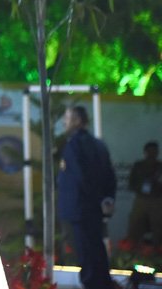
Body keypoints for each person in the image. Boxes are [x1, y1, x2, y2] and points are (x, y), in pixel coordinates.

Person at [57, 105, 117, 289]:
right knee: (96, 249)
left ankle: (91, 284)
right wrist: (106, 198)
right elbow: (109, 175)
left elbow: (81, 176)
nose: (63, 122)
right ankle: (103, 283)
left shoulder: (74, 144)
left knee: (85, 252)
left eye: (67, 118)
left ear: (77, 121)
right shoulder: (98, 144)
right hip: (94, 208)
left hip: (80, 208)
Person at [126, 141, 162, 247]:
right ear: (145, 152)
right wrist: (141, 189)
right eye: (150, 151)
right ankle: (131, 252)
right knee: (135, 224)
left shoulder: (160, 167)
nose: (152, 154)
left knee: (158, 226)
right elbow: (131, 183)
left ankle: (157, 253)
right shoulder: (138, 166)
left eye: (155, 151)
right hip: (141, 199)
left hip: (157, 200)